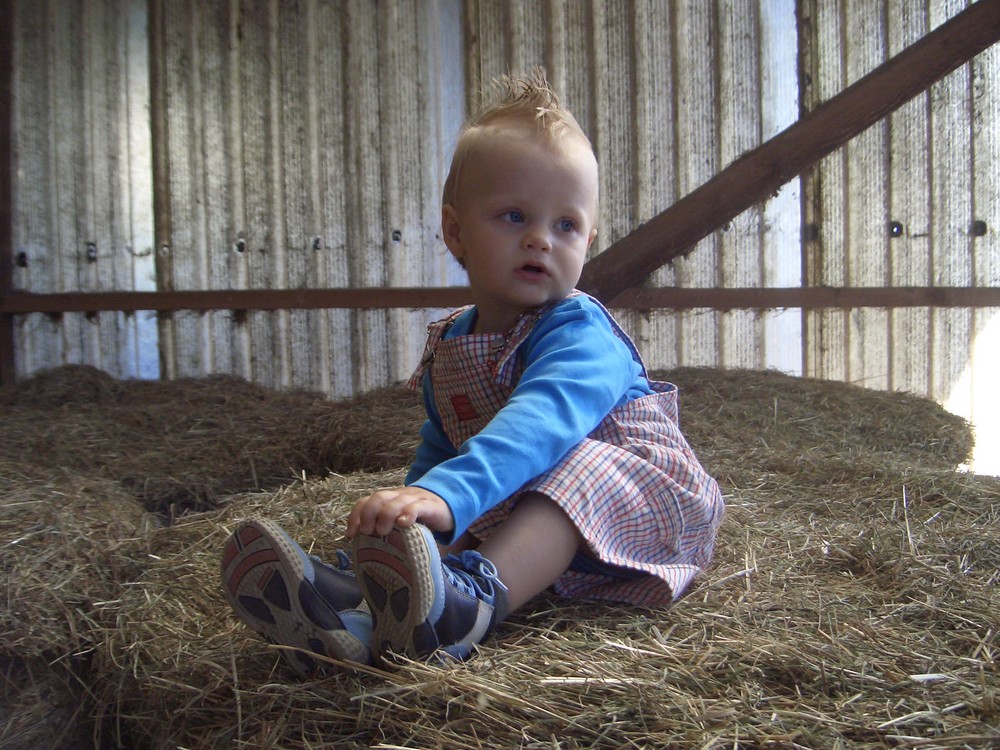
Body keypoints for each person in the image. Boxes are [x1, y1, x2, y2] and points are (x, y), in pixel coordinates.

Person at [221, 71, 725, 677]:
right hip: (529, 509)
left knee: (571, 467)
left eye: (565, 226)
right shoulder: (451, 341)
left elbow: (539, 425)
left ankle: (471, 608)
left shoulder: (580, 332)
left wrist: (448, 496)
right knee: (445, 512)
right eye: (514, 216)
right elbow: (442, 449)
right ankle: (358, 606)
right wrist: (406, 523)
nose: (541, 239)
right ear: (456, 231)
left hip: (642, 510)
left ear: (588, 242)